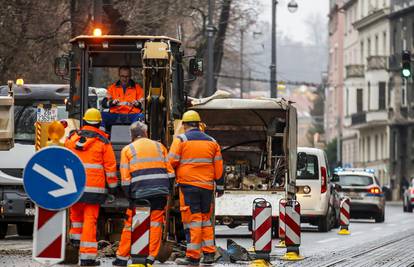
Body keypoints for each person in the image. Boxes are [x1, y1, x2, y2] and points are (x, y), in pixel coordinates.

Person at [112, 121, 175, 267]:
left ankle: (122, 257)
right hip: (160, 192)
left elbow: (125, 178)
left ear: (131, 135)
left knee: (132, 224)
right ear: (146, 133)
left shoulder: (127, 149)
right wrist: (168, 190)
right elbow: (170, 173)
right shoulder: (160, 147)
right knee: (155, 224)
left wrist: (130, 196)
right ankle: (150, 258)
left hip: (140, 193)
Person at [168, 110, 224, 266]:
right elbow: (218, 166)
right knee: (205, 220)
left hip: (188, 187)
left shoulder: (181, 140)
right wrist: (220, 185)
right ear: (199, 124)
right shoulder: (212, 141)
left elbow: (170, 162)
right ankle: (209, 253)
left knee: (193, 221)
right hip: (207, 187)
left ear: (185, 125)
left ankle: (193, 256)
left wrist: (169, 182)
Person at [64, 108, 118, 266]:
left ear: (84, 121)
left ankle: (75, 242)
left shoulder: (72, 139)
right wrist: (113, 188)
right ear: (100, 122)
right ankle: (87, 258)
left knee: (76, 217)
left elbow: (64, 159)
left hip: (74, 187)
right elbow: (110, 168)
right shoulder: (103, 142)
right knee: (90, 220)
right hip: (95, 190)